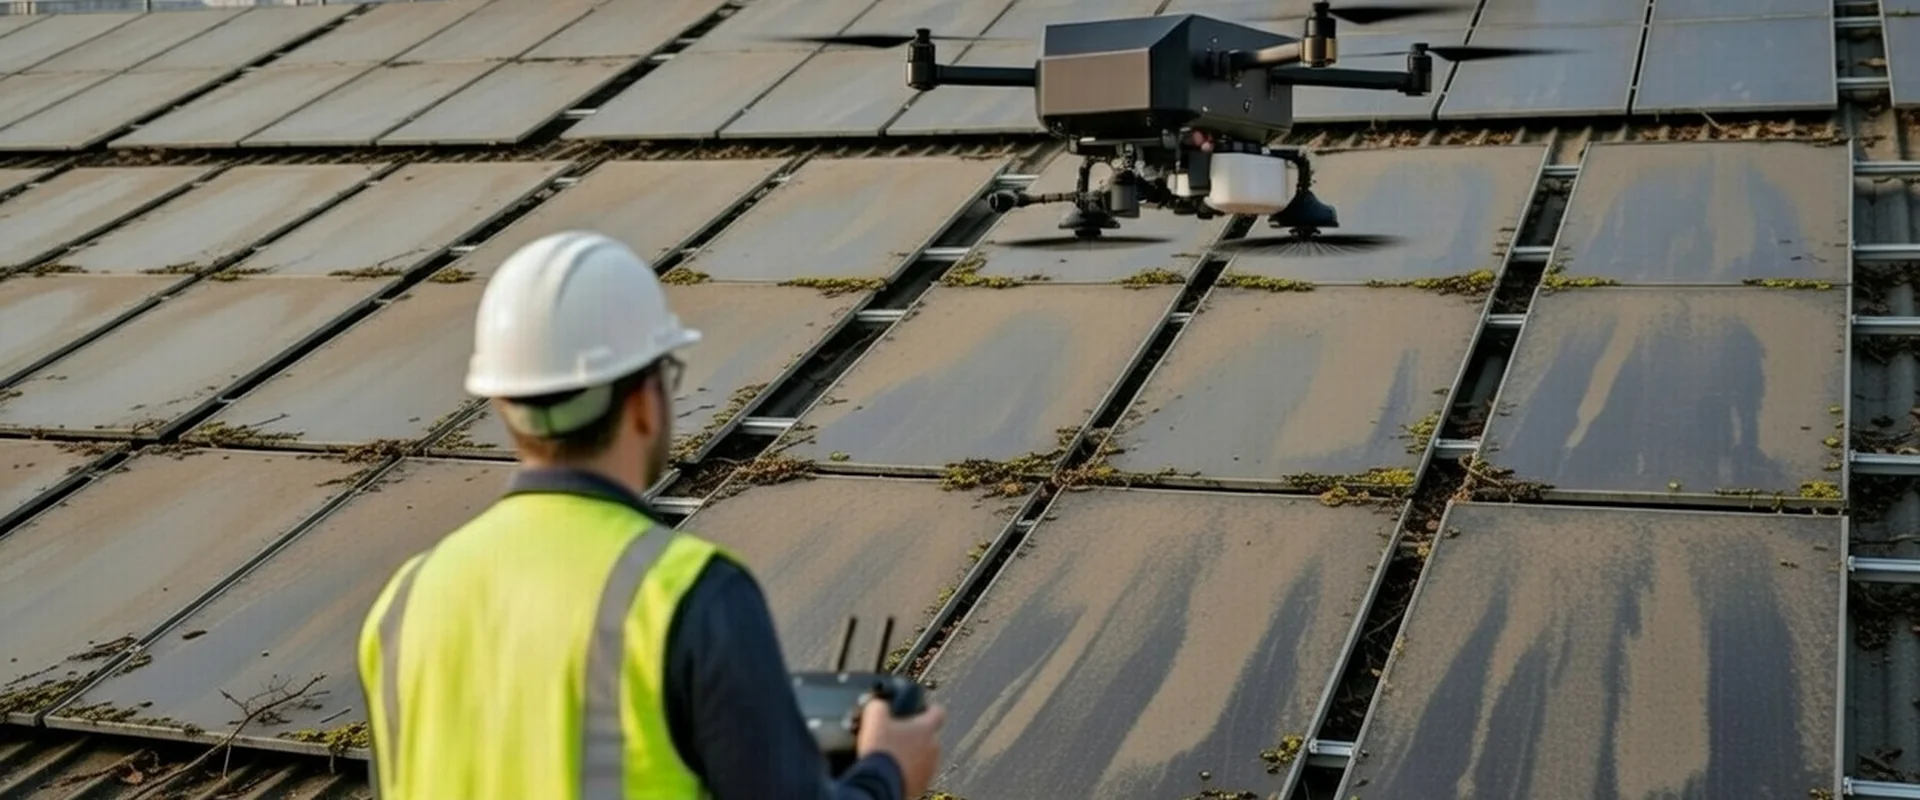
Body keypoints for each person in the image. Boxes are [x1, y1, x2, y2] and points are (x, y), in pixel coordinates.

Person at [356, 231, 946, 800]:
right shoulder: (690, 595)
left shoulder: (404, 601)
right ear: (644, 400)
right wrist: (889, 770)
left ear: (504, 403)